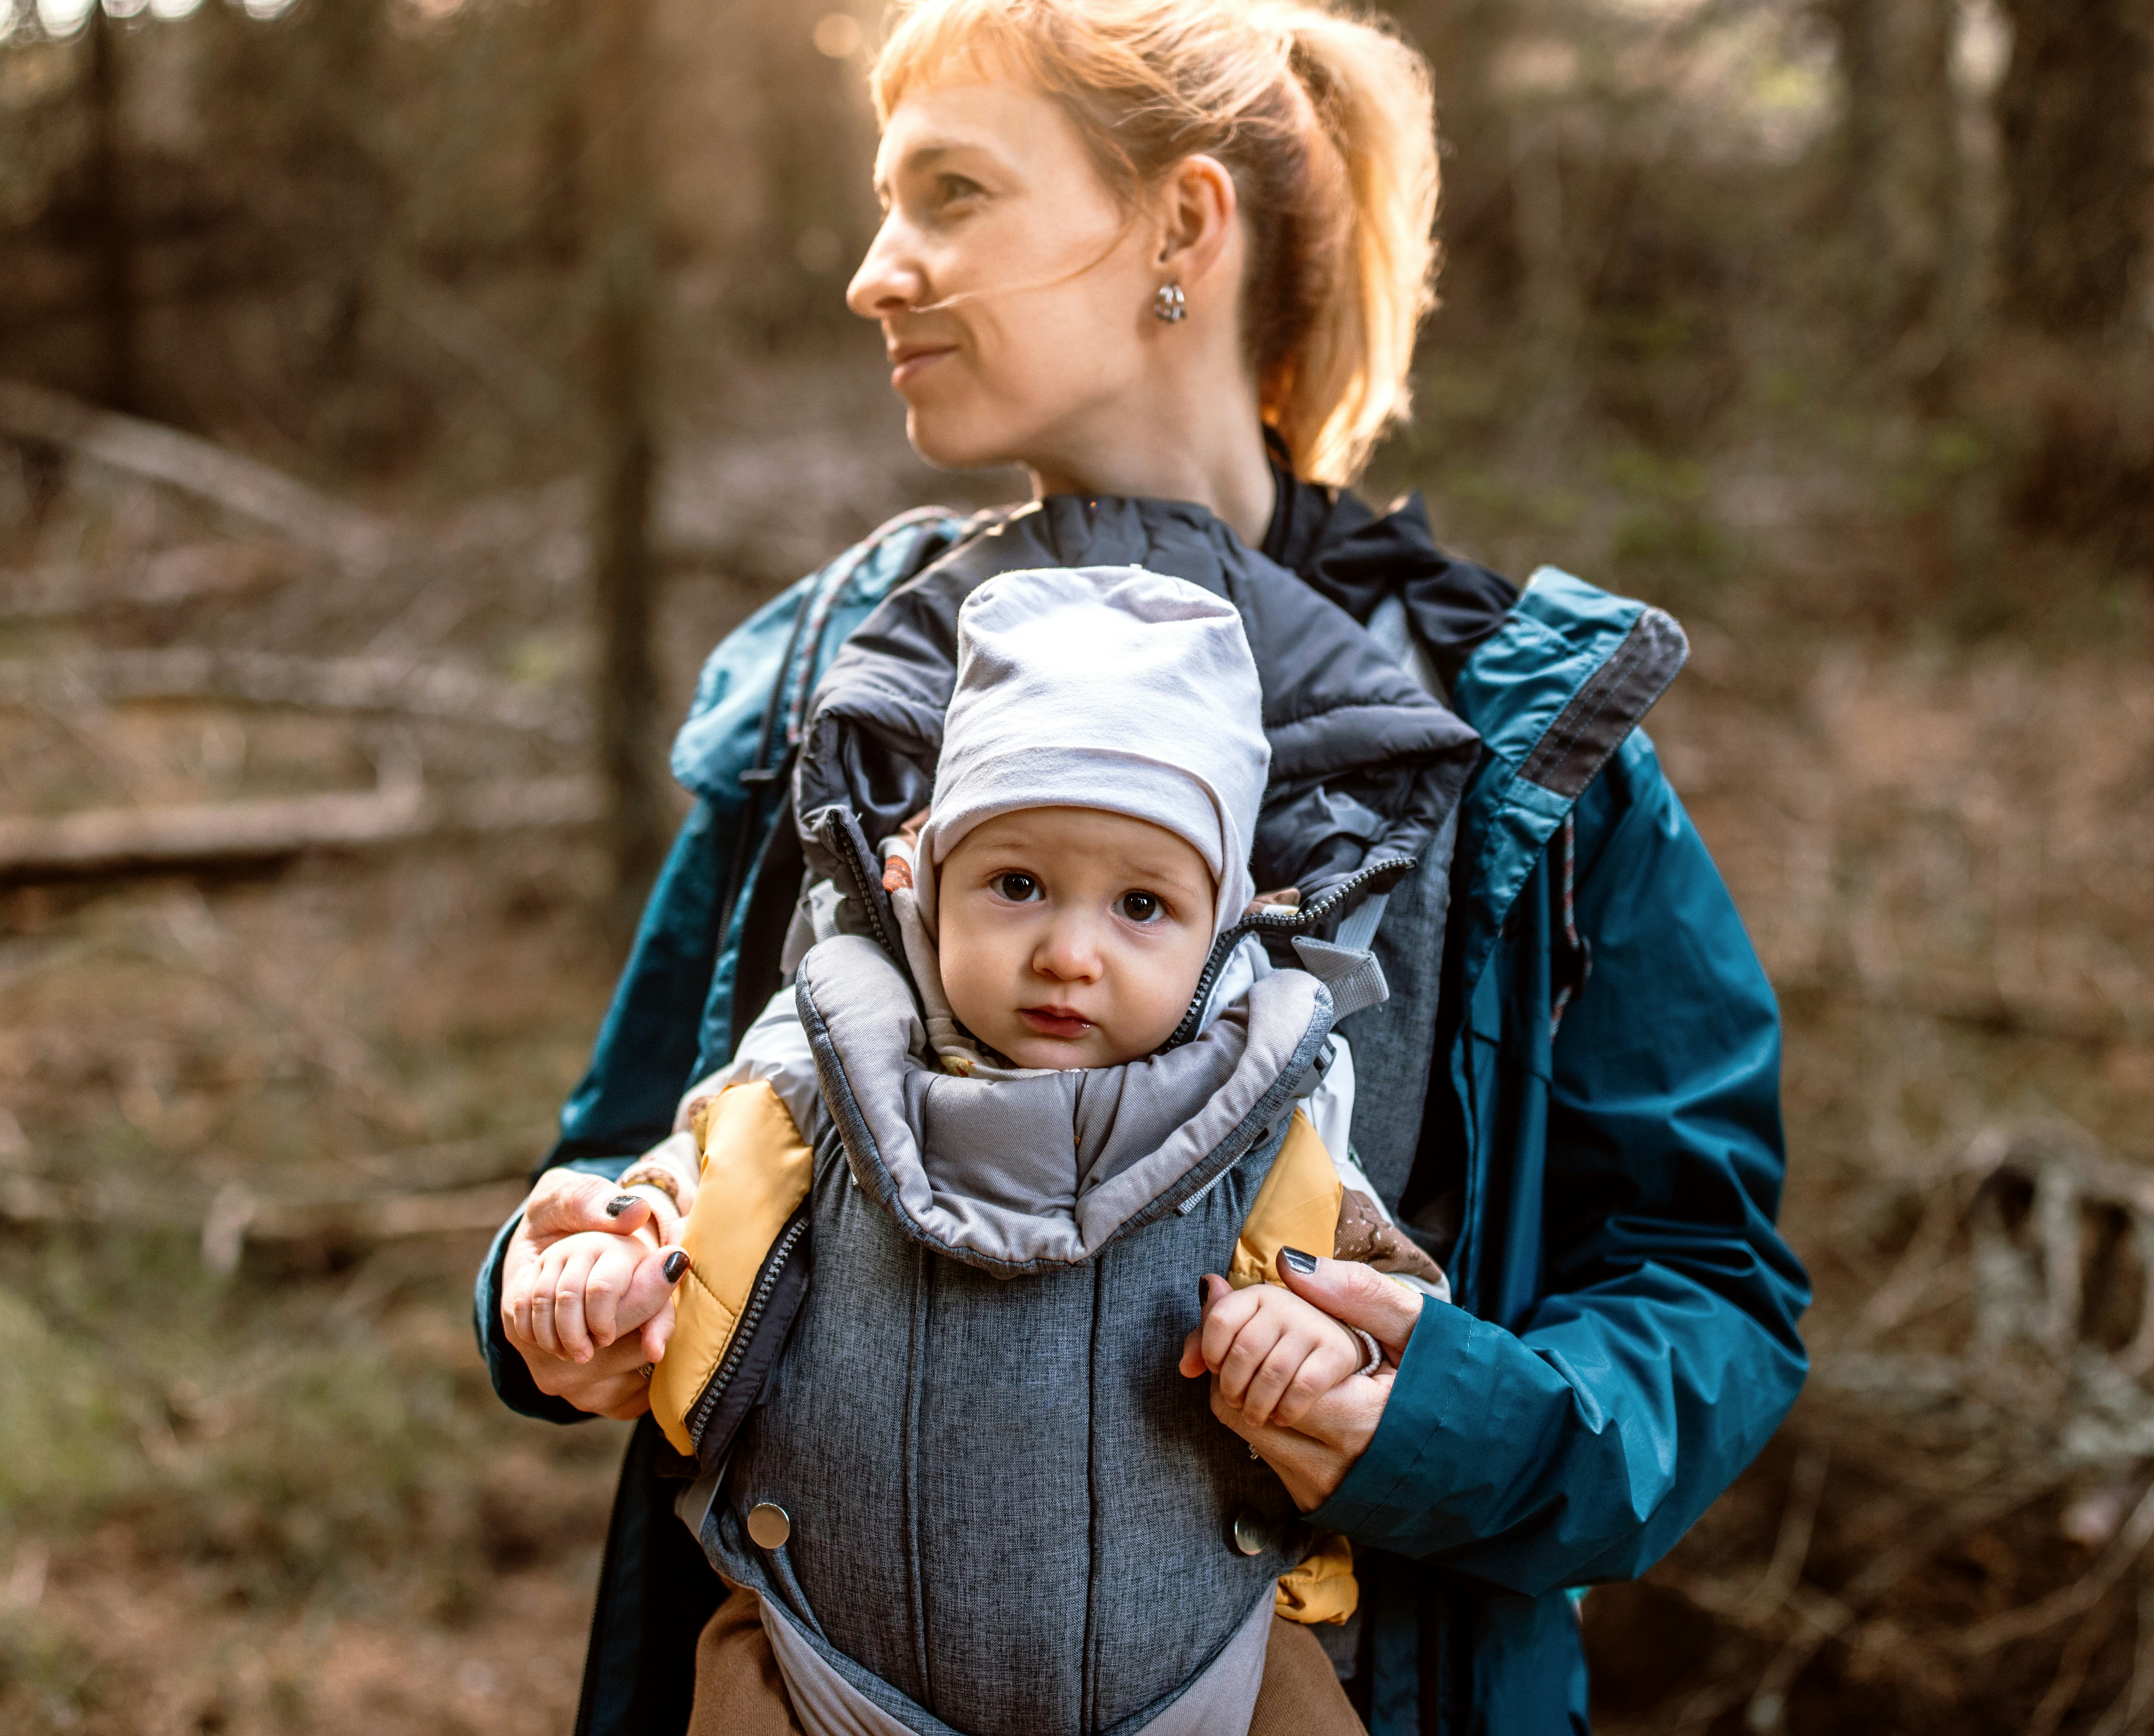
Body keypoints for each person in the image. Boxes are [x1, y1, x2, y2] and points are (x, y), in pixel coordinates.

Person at [476, 0, 1810, 1736]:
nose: (875, 272)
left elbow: (1704, 1283)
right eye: (881, 204)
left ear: (1182, 227)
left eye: (951, 193)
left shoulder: (1516, 737)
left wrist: (1449, 1423)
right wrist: (561, 1287)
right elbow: (627, 1152)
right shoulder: (829, 681)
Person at [520, 560, 1472, 1734]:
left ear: (1226, 925)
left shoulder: (1266, 1112)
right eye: (1016, 884)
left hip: (1208, 1683)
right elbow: (680, 1201)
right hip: (821, 1676)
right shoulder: (820, 1071)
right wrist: (607, 1259)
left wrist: (1324, 1344)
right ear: (925, 884)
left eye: (1141, 907)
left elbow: (1392, 1307)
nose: (1070, 953)